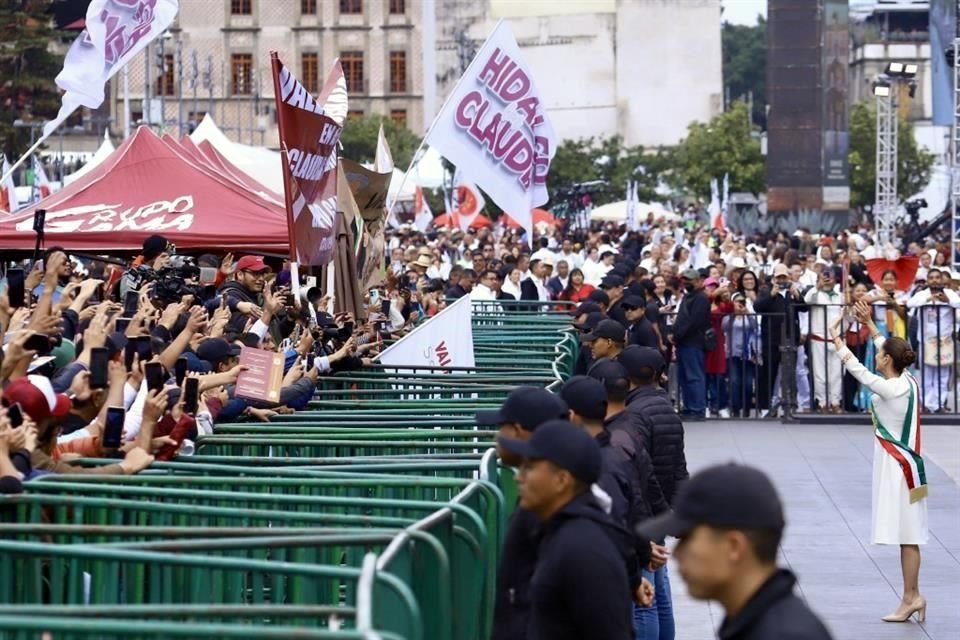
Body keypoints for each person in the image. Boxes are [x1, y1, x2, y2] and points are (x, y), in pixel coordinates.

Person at [638, 463, 834, 640]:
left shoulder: (783, 634)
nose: (678, 554)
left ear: (733, 547)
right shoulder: (755, 621)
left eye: (688, 539)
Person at [832, 305, 929, 623]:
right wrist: (871, 327)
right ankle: (912, 595)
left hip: (898, 469)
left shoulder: (888, 388)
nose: (878, 354)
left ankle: (911, 597)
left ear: (888, 360)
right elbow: (887, 349)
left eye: (881, 352)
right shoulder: (909, 381)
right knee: (910, 534)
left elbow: (860, 372)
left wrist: (838, 342)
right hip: (912, 469)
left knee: (907, 534)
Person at [498, 419, 635, 640]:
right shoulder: (558, 531)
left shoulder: (582, 549)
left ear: (562, 480)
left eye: (529, 468)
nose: (518, 477)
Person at [478, 387, 570, 640]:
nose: (497, 436)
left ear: (518, 430)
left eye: (501, 428)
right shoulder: (538, 499)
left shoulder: (554, 512)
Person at [905, 268, 960, 413]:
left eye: (937, 277)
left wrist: (946, 300)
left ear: (942, 280)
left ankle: (939, 405)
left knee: (943, 374)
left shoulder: (950, 293)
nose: (935, 280)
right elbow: (910, 304)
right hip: (927, 340)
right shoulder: (922, 294)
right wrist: (929, 300)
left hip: (945, 340)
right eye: (931, 278)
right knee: (927, 373)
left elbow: (958, 303)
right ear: (927, 280)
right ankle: (926, 405)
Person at [753, 263, 805, 417]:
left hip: (790, 338)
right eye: (779, 277)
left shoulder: (792, 291)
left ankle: (789, 406)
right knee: (768, 374)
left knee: (789, 374)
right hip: (771, 338)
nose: (781, 280)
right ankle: (764, 407)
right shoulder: (765, 290)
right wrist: (772, 294)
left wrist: (797, 295)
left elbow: (803, 308)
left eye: (784, 277)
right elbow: (758, 307)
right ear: (773, 278)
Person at [671, 269, 710, 419]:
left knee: (694, 376)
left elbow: (694, 322)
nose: (686, 282)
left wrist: (678, 334)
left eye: (690, 280)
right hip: (684, 341)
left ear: (698, 281)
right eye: (684, 280)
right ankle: (689, 406)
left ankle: (697, 408)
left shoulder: (700, 298)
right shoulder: (689, 297)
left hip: (693, 342)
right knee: (686, 377)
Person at [804, 268, 844, 412]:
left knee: (837, 372)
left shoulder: (841, 296)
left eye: (830, 277)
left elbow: (848, 315)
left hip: (837, 339)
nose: (828, 280)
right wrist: (817, 286)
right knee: (820, 372)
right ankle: (822, 402)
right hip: (819, 338)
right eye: (824, 277)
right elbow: (807, 300)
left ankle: (835, 401)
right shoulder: (815, 294)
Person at [723, 293, 760, 418]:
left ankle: (747, 407)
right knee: (734, 381)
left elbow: (755, 327)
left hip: (748, 353)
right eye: (737, 301)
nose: (740, 304)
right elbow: (725, 327)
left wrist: (748, 313)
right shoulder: (729, 316)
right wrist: (734, 314)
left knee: (748, 383)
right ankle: (735, 408)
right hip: (733, 353)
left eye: (742, 301)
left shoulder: (748, 316)